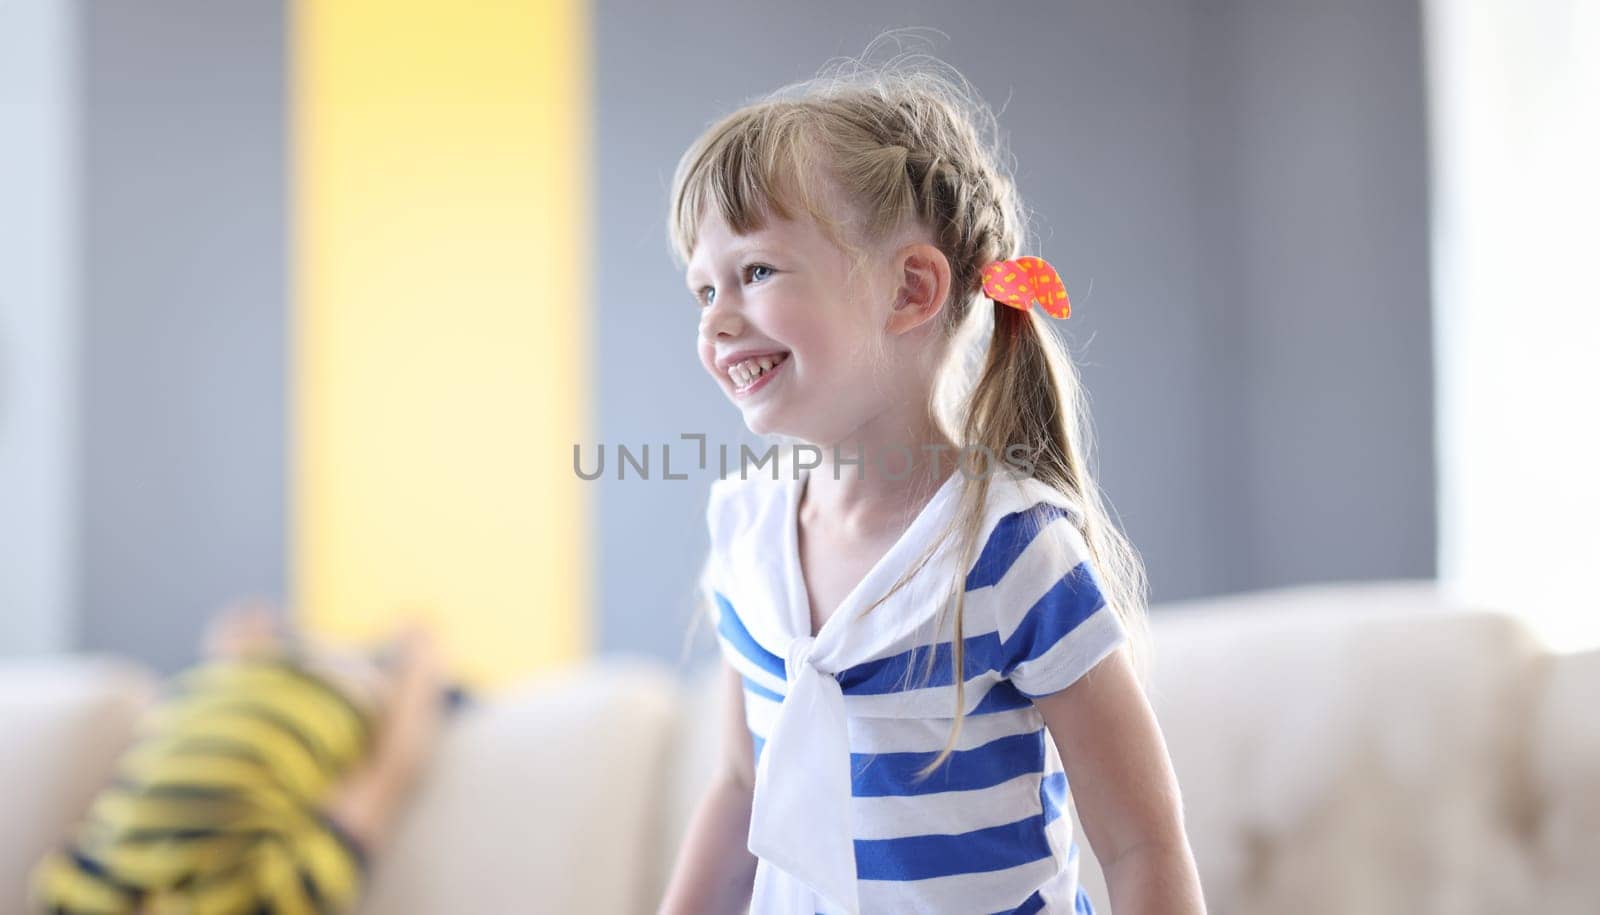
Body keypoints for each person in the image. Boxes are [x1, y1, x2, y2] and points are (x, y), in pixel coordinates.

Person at [657, 50, 1207, 915]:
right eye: (702, 288)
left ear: (910, 290)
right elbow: (738, 787)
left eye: (756, 272)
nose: (717, 320)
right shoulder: (747, 538)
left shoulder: (1012, 552)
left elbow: (1143, 842)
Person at [29, 600, 454, 915]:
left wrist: (233, 661)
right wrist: (421, 666)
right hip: (350, 688)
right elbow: (388, 776)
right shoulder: (261, 897)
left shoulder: (77, 895)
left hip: (226, 677)